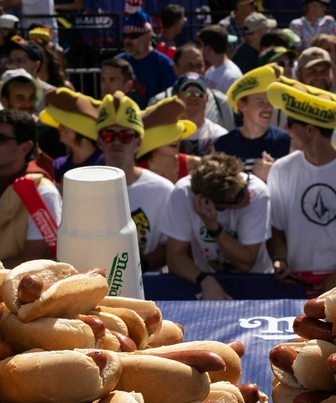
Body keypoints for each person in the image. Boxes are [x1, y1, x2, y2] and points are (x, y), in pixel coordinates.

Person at [267, 81, 336, 293]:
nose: (285, 129)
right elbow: (276, 228)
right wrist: (280, 259)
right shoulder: (280, 169)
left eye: (290, 123)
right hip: (295, 283)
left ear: (310, 129)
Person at [163, 153, 273, 300]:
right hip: (208, 280)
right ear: (210, 203)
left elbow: (246, 263)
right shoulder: (183, 192)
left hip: (256, 281)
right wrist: (206, 281)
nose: (247, 195)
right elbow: (174, 257)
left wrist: (213, 226)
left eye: (243, 186)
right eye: (238, 197)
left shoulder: (257, 192)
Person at [89, 94, 175, 270]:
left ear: (138, 142)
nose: (116, 141)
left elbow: (171, 247)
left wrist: (132, 270)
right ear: (99, 142)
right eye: (108, 136)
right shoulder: (83, 190)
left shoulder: (163, 190)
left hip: (149, 284)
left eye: (125, 136)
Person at [215, 65, 291, 176]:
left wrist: (274, 173)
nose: (268, 108)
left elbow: (296, 185)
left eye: (270, 102)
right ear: (241, 106)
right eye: (260, 102)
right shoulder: (222, 145)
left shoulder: (285, 141)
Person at [47, 89, 106, 189]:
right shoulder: (57, 165)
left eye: (65, 123)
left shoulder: (105, 163)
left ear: (81, 128)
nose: (59, 127)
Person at [116, 15, 177, 107]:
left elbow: (170, 100)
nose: (127, 40)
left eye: (133, 36)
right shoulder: (117, 62)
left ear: (147, 37)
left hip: (153, 119)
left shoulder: (164, 65)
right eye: (125, 36)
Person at [195, 25, 242, 95]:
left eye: (201, 46)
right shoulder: (210, 70)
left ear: (209, 49)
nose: (200, 49)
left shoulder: (232, 77)